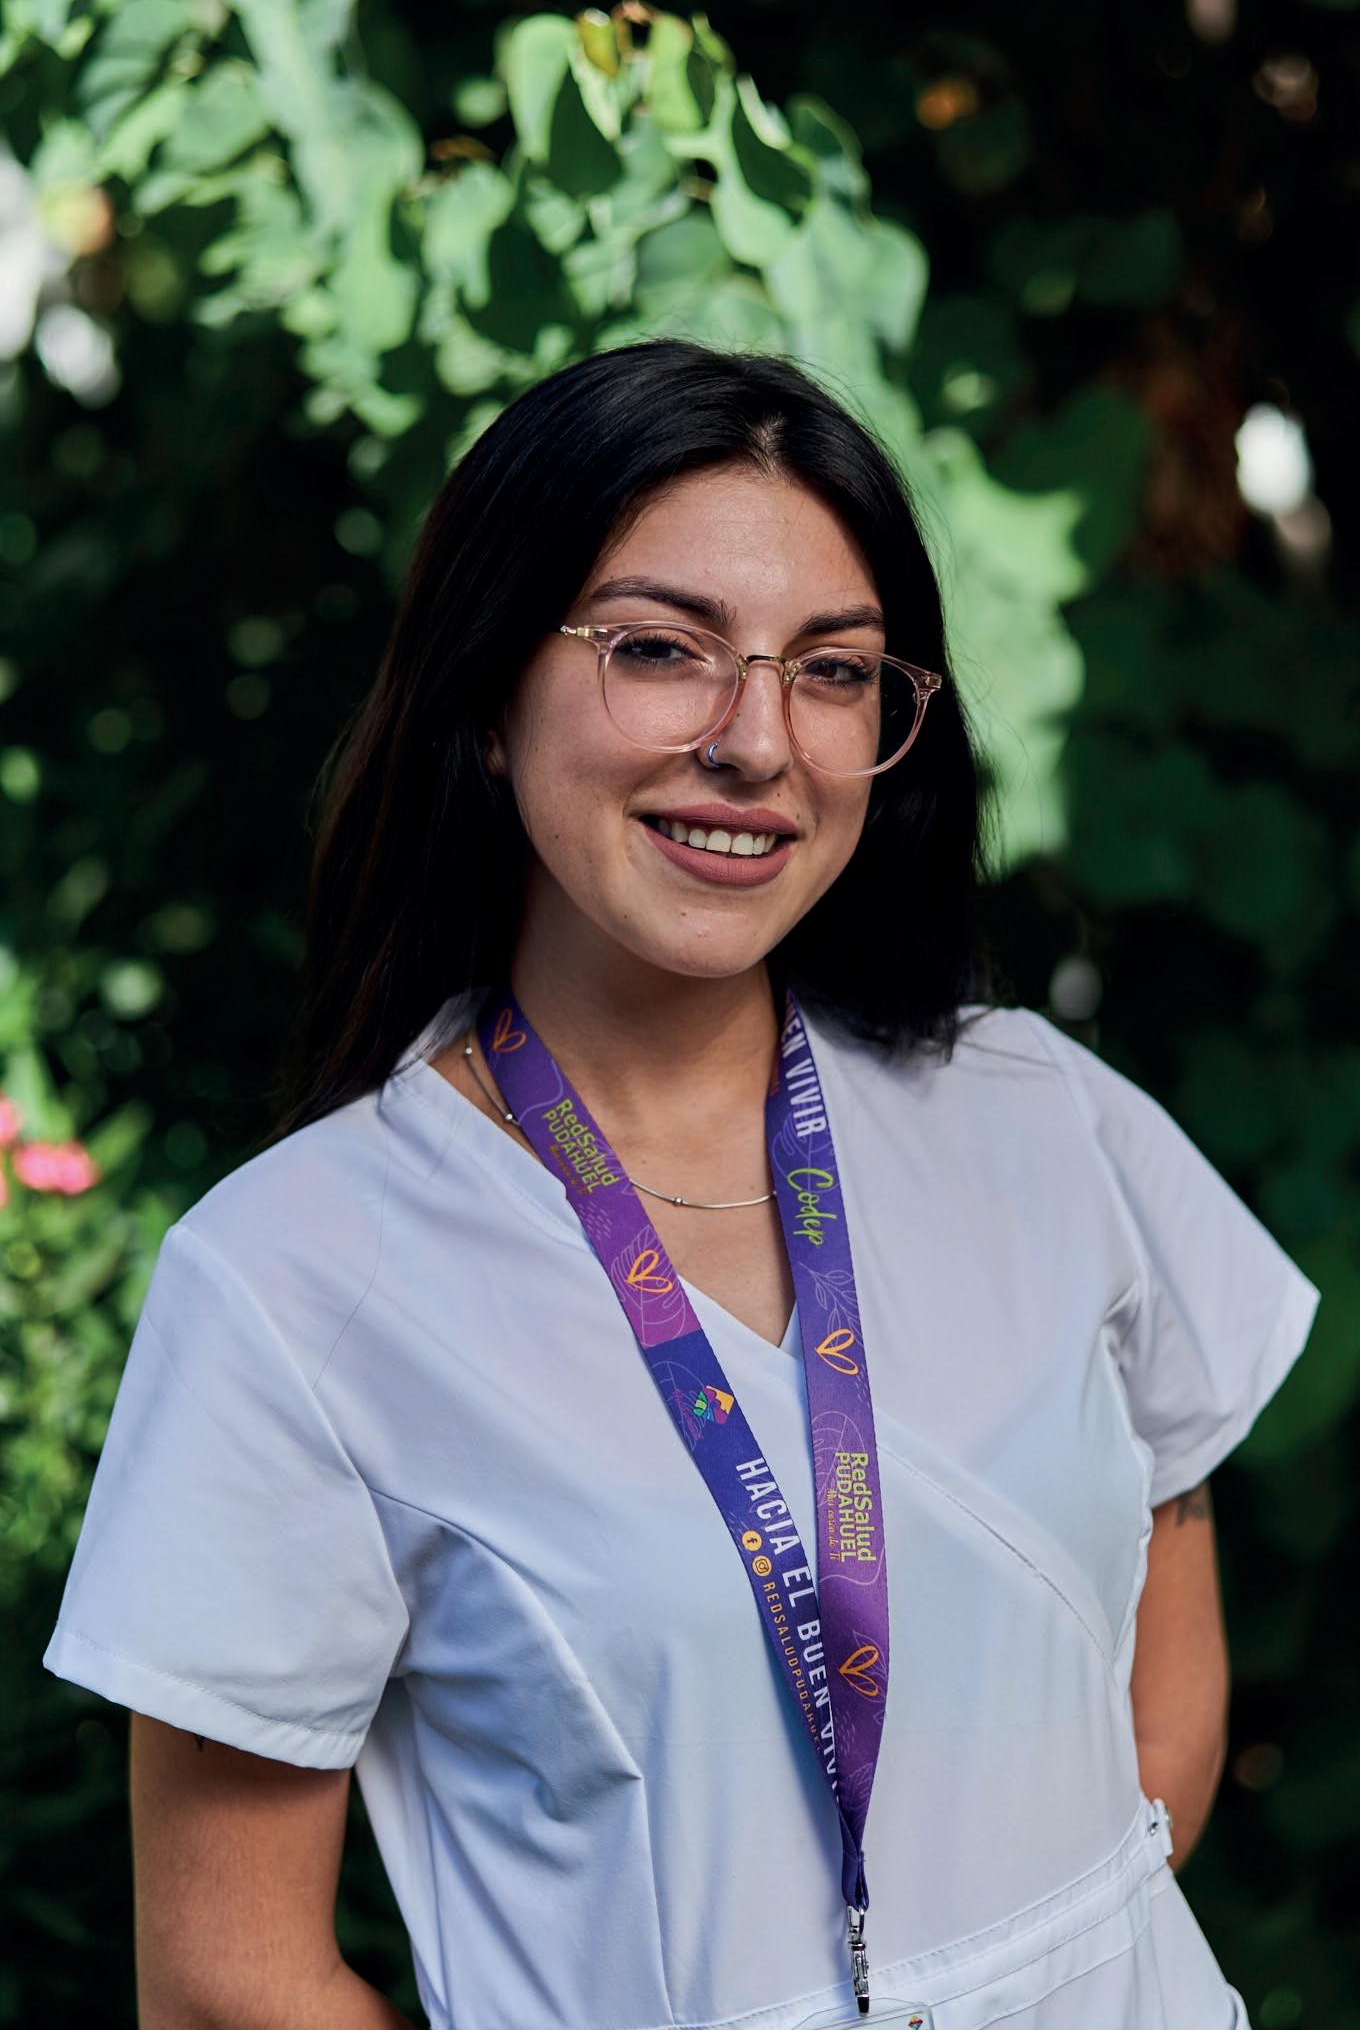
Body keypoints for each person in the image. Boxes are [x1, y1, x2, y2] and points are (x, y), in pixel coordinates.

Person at [43, 339, 1320, 2030]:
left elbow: (1161, 1666)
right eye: (660, 649)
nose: (756, 741)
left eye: (833, 670)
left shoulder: (1041, 1117)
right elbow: (227, 1982)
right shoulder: (295, 1282)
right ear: (484, 698)